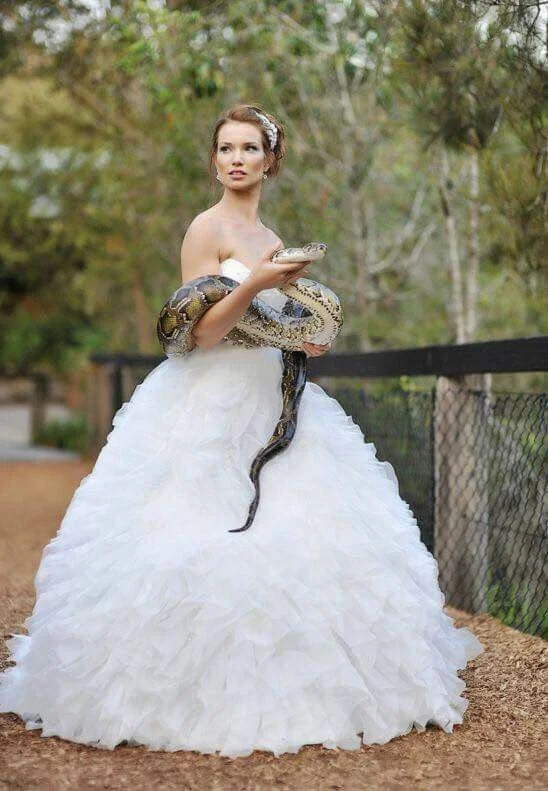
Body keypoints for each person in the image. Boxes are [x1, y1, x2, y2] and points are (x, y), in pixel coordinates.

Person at [0, 103, 484, 759]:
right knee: (191, 529)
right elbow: (197, 334)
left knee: (308, 533)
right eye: (225, 147)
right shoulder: (206, 230)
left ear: (269, 160)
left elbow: (275, 324)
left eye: (249, 148)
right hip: (206, 396)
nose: (235, 158)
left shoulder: (273, 235)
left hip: (270, 394)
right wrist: (255, 280)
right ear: (215, 159)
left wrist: (302, 340)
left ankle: (315, 688)